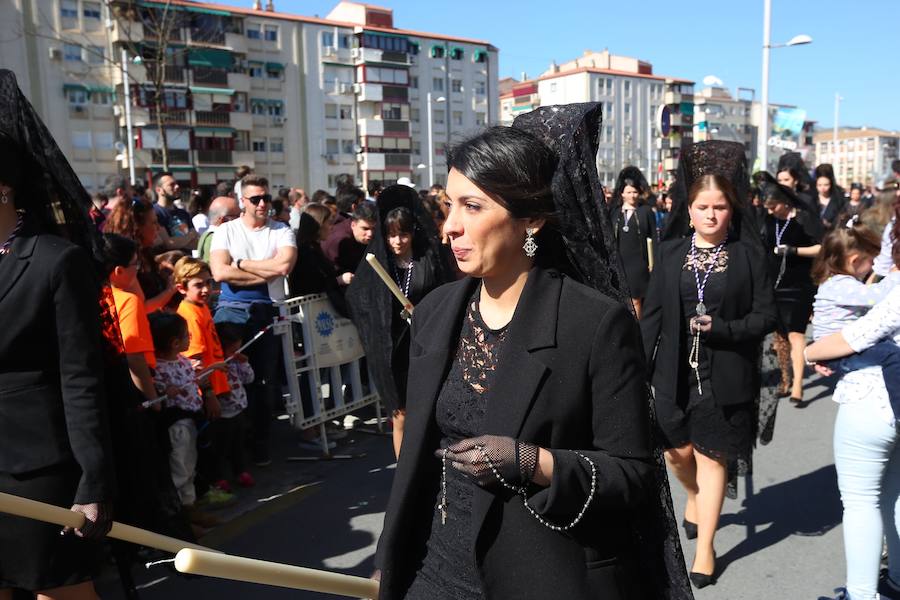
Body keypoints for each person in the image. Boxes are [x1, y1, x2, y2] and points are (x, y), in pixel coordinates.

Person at [374, 106, 691, 599]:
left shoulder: (594, 324)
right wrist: (391, 561)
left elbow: (632, 475)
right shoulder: (436, 312)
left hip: (541, 576)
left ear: (532, 220)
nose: (448, 228)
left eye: (472, 207)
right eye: (448, 205)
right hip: (433, 573)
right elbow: (416, 459)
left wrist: (533, 462)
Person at [0, 69, 114, 600]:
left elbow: (79, 377)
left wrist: (92, 480)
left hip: (37, 467)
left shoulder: (55, 262)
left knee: (57, 592)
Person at [643, 141, 777, 588]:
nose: (712, 215)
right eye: (703, 206)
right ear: (690, 207)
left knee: (712, 456)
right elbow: (654, 317)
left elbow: (765, 317)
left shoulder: (749, 255)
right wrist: (637, 368)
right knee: (676, 453)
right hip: (674, 374)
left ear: (732, 208)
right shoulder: (670, 252)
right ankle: (696, 494)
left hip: (725, 374)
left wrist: (722, 329)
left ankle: (705, 548)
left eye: (720, 207)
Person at [806, 285, 900, 600]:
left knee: (861, 502)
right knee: (894, 495)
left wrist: (809, 351)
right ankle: (897, 582)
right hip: (892, 406)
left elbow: (858, 334)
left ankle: (861, 595)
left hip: (875, 400)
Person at [348, 189, 451, 458]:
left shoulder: (427, 260)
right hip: (393, 351)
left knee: (430, 411)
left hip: (426, 345)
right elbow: (358, 298)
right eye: (391, 235)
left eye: (403, 234)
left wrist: (426, 313)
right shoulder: (378, 263)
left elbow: (447, 293)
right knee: (401, 415)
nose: (397, 241)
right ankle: (403, 473)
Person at [209, 173, 297, 466]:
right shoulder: (226, 231)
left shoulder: (281, 230)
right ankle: (233, 450)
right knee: (231, 379)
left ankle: (259, 445)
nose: (262, 204)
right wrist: (264, 270)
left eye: (266, 198)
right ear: (242, 201)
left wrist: (243, 264)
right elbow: (220, 272)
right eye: (255, 199)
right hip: (231, 311)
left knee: (263, 381)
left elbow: (283, 266)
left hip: (267, 310)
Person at [811, 224, 900, 416]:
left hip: (837, 348)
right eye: (871, 260)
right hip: (838, 350)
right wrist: (895, 275)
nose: (874, 266)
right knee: (892, 355)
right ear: (855, 260)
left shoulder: (836, 283)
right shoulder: (841, 286)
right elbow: (877, 296)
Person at [761, 178, 824, 405]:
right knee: (779, 337)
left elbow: (821, 247)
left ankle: (798, 385)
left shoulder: (804, 218)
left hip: (799, 285)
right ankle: (785, 380)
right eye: (768, 207)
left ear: (785, 202)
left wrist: (794, 250)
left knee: (796, 334)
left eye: (774, 206)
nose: (771, 211)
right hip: (774, 285)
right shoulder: (768, 220)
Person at [148, 312, 207, 522]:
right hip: (177, 425)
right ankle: (179, 514)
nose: (189, 337)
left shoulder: (182, 361)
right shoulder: (158, 369)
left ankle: (190, 507)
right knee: (180, 467)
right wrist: (166, 392)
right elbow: (161, 394)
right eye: (185, 335)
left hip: (191, 420)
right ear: (174, 343)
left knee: (189, 464)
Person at [211, 322, 256, 491]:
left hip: (238, 410)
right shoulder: (216, 366)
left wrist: (244, 363)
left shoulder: (236, 362)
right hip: (222, 414)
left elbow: (249, 379)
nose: (235, 353)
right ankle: (218, 478)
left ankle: (240, 471)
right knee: (220, 448)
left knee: (238, 444)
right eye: (232, 350)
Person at [609, 166, 657, 317]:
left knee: (636, 300)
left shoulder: (646, 212)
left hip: (639, 263)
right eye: (629, 192)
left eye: (635, 192)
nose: (632, 195)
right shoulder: (615, 212)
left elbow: (654, 237)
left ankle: (637, 331)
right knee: (622, 299)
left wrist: (653, 262)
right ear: (622, 193)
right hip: (620, 262)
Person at [324, 201, 378, 284]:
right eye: (365, 229)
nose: (370, 234)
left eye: (373, 229)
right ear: (353, 225)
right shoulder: (339, 241)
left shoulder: (353, 233)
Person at [153, 172, 198, 251]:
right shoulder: (155, 213)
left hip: (187, 261)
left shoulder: (184, 213)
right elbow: (169, 243)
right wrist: (189, 236)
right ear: (159, 190)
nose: (177, 187)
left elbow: (196, 243)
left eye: (176, 183)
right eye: (171, 185)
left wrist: (179, 242)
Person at [197, 195, 241, 264]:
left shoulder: (209, 235)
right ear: (223, 220)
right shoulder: (215, 238)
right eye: (238, 215)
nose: (242, 218)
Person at [814, 164, 847, 229]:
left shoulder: (839, 198)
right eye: (819, 185)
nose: (823, 188)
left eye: (826, 184)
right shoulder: (810, 197)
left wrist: (830, 225)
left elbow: (842, 218)